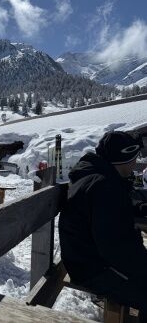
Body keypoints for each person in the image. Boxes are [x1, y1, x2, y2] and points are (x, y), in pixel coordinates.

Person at [59, 130, 147, 316]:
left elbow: (114, 211)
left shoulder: (99, 176)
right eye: (135, 157)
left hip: (83, 258)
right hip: (91, 268)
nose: (136, 163)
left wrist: (139, 208)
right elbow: (115, 247)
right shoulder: (104, 186)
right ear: (123, 158)